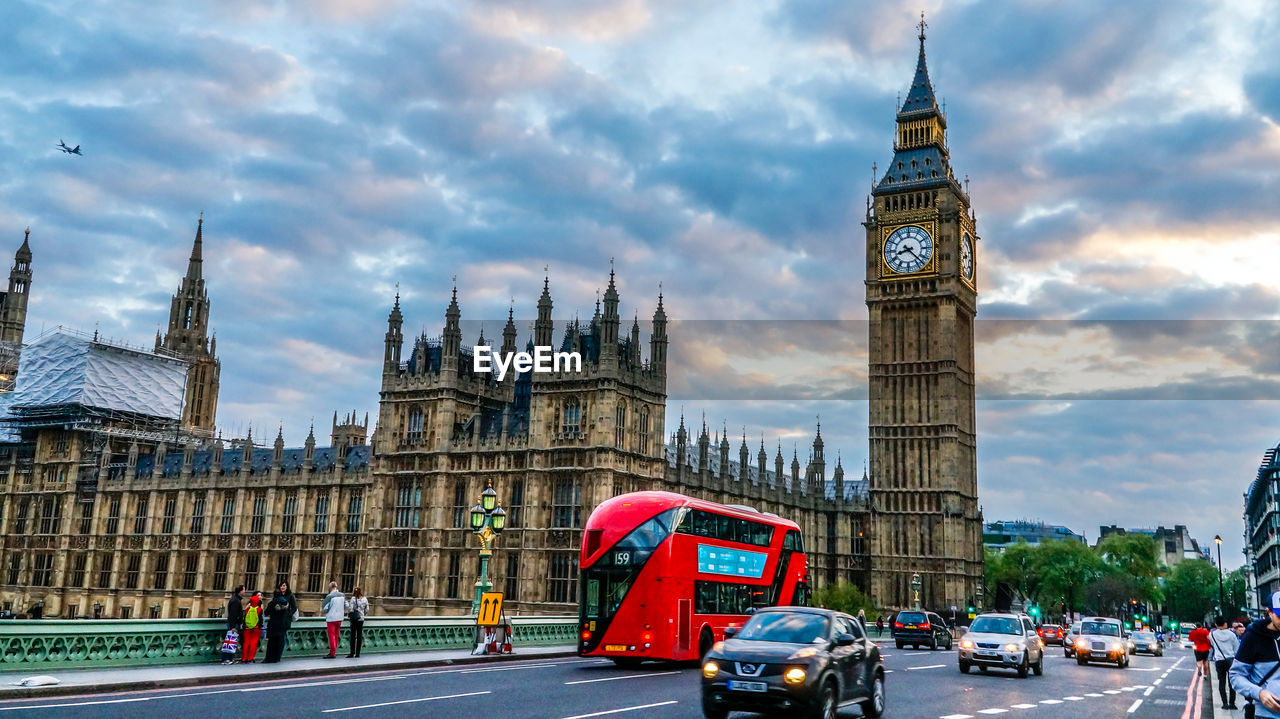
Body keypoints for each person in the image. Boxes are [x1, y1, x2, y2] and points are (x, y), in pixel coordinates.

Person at [1231, 592, 1280, 718]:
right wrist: (1259, 693)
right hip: (1264, 714)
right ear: (1269, 612)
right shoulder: (1253, 637)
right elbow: (1236, 676)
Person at [263, 581, 298, 664]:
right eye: (281, 586)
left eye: (284, 586)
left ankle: (273, 657)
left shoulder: (289, 596)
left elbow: (294, 607)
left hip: (280, 622)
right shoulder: (282, 599)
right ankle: (275, 657)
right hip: (280, 622)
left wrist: (289, 615)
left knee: (277, 640)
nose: (282, 587)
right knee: (278, 639)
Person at [1210, 616, 1240, 709]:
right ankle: (1232, 703)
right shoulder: (1232, 635)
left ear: (1216, 624)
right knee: (1232, 683)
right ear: (1225, 624)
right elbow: (1236, 648)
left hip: (1219, 660)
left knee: (1221, 682)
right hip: (1230, 660)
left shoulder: (1212, 634)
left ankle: (1224, 703)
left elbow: (1212, 644)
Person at [322, 581, 346, 659]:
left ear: (330, 587)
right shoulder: (342, 595)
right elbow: (347, 605)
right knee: (336, 635)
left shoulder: (329, 596)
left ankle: (332, 653)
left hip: (331, 618)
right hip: (339, 618)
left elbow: (325, 609)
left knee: (331, 635)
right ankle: (334, 651)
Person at [345, 587, 369, 658]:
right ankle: (358, 653)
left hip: (354, 619)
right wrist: (362, 613)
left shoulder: (353, 599)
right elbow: (367, 610)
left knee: (352, 636)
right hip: (361, 619)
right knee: (359, 636)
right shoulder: (365, 599)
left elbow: (350, 609)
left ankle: (352, 653)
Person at [241, 594, 263, 663]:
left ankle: (244, 658)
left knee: (246, 643)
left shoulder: (247, 609)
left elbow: (244, 619)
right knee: (253, 643)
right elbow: (260, 620)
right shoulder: (259, 609)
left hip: (247, 628)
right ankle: (250, 658)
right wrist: (259, 626)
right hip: (256, 628)